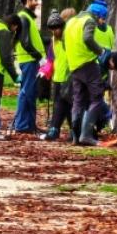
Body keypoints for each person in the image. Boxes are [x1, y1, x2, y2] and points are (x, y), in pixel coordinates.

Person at [63, 0, 109, 146]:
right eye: (102, 17)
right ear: (97, 14)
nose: (102, 21)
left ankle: (75, 136)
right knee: (97, 98)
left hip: (74, 66)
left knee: (78, 100)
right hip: (88, 64)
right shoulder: (89, 21)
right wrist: (100, 51)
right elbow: (87, 38)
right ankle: (86, 135)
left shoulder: (71, 21)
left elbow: (64, 42)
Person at [13, 0, 46, 133]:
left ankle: (28, 124)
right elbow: (25, 41)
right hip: (29, 60)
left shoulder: (27, 17)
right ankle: (22, 125)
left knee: (29, 92)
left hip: (30, 59)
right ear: (28, 0)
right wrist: (39, 57)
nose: (37, 2)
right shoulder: (24, 17)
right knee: (27, 92)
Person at [42, 10, 70, 141]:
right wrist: (46, 70)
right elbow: (51, 58)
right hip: (58, 78)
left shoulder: (67, 38)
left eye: (57, 28)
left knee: (67, 105)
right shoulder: (53, 40)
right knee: (60, 105)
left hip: (68, 77)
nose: (55, 31)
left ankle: (68, 130)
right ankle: (55, 129)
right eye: (52, 29)